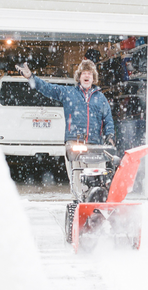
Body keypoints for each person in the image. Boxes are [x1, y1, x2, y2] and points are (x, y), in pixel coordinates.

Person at [15, 59, 115, 196]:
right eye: (84, 73)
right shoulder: (68, 93)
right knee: (77, 180)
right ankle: (78, 204)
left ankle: (95, 204)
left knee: (97, 179)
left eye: (90, 73)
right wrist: (31, 77)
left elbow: (108, 119)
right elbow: (47, 88)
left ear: (93, 77)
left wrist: (110, 136)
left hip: (95, 145)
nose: (87, 76)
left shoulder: (101, 98)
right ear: (79, 77)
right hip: (75, 143)